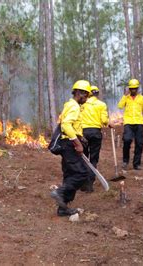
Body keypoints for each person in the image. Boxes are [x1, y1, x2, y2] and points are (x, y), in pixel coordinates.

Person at [50, 80, 93, 217]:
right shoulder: (74, 107)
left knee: (69, 174)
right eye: (86, 96)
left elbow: (71, 125)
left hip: (66, 143)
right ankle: (60, 192)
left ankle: (63, 207)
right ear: (80, 93)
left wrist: (81, 137)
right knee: (81, 174)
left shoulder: (70, 105)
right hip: (69, 144)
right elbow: (66, 126)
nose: (86, 99)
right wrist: (78, 144)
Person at [79, 85, 111, 192]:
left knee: (83, 158)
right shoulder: (101, 105)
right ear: (97, 94)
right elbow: (104, 121)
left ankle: (83, 183)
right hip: (95, 133)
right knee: (93, 158)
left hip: (83, 133)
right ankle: (89, 184)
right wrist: (107, 122)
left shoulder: (81, 105)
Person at [117, 78, 143, 170]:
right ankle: (125, 160)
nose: (133, 90)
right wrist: (124, 96)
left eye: (135, 88)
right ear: (129, 89)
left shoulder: (141, 98)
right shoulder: (126, 98)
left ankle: (136, 164)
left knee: (139, 143)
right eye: (132, 88)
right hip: (128, 123)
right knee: (127, 140)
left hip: (139, 123)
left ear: (137, 88)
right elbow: (120, 106)